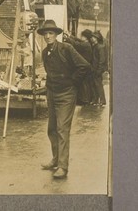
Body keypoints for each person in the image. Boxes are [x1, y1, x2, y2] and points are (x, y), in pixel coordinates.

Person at [38, 20, 91, 179]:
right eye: (46, 33)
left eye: (51, 33)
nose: (48, 36)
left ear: (56, 35)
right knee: (52, 129)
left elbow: (84, 66)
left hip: (66, 94)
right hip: (52, 93)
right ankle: (55, 159)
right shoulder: (45, 53)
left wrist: (72, 82)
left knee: (62, 129)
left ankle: (63, 166)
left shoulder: (66, 48)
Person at [63, 29, 95, 105]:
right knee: (83, 84)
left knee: (83, 84)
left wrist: (67, 38)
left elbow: (76, 44)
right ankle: (84, 99)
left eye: (82, 36)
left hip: (85, 66)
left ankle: (85, 100)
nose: (81, 37)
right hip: (86, 66)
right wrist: (70, 36)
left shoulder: (85, 45)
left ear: (86, 37)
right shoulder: (86, 43)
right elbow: (78, 40)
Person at [90, 30, 108, 107]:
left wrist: (99, 70)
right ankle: (96, 100)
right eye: (92, 37)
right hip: (94, 68)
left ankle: (102, 101)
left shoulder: (100, 47)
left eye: (93, 37)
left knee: (98, 85)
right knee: (95, 84)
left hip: (97, 69)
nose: (92, 38)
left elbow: (102, 60)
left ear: (97, 38)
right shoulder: (95, 46)